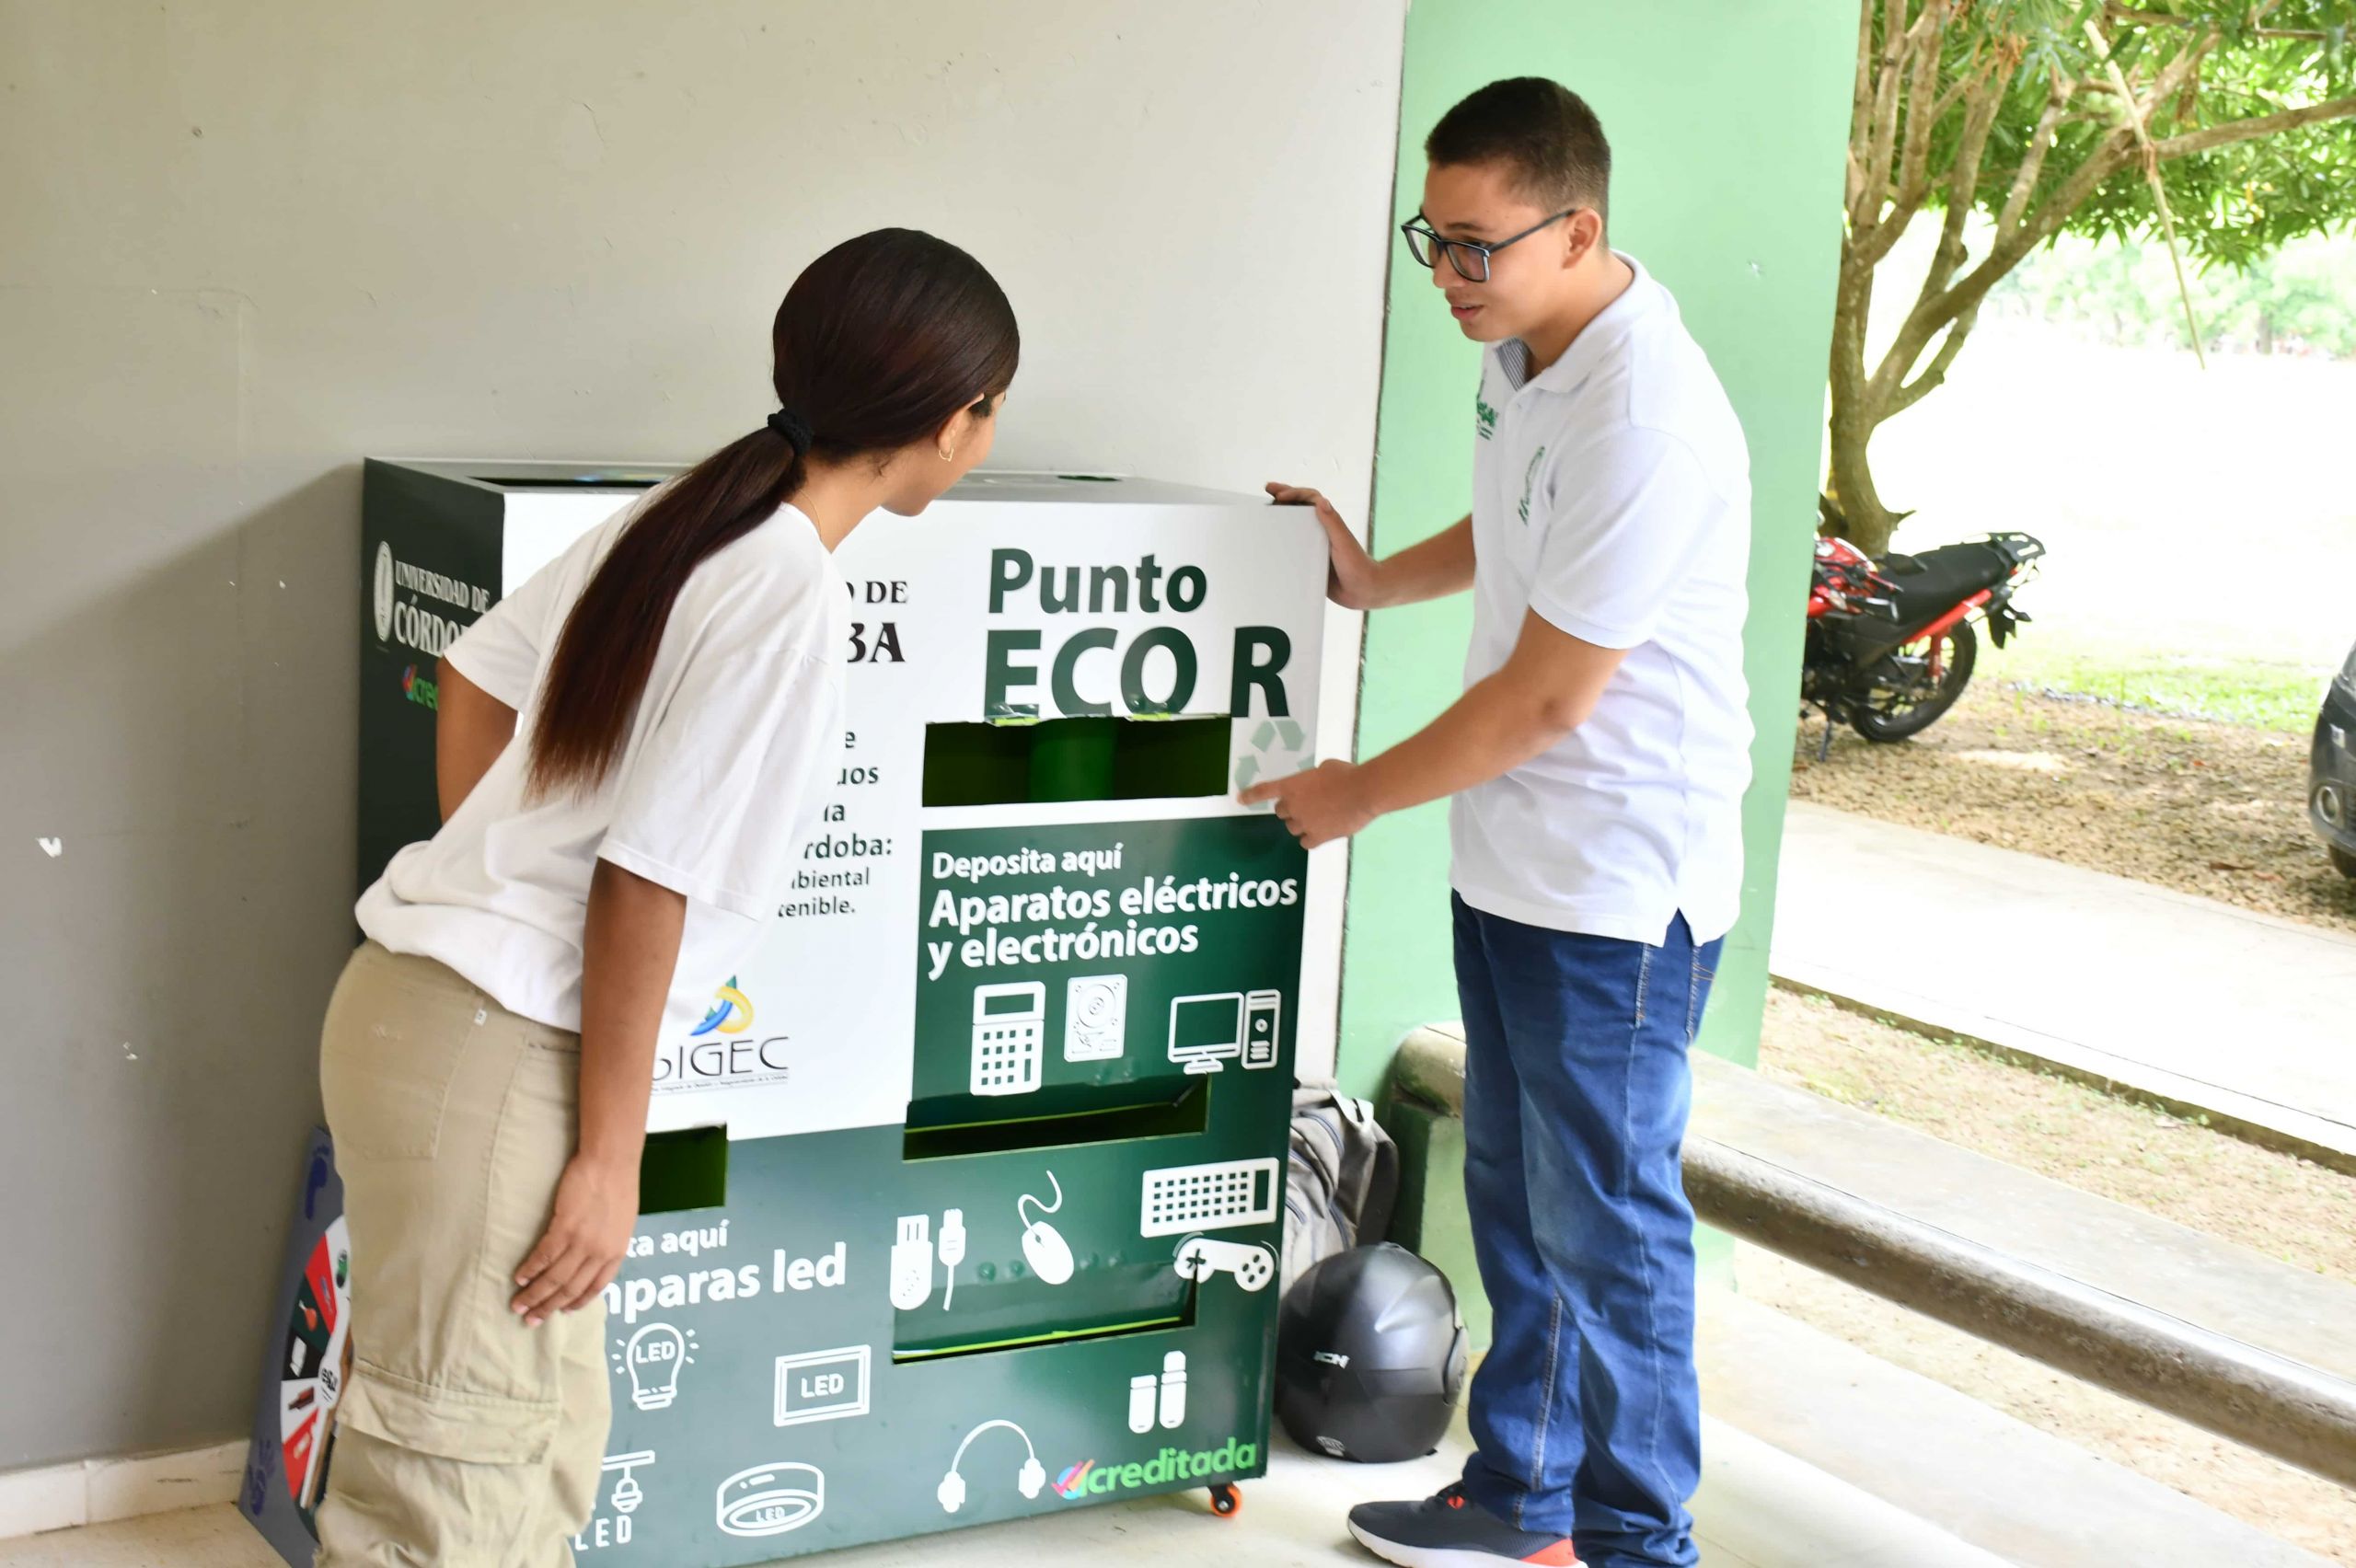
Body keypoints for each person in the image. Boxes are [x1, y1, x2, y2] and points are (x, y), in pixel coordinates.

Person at [316, 228, 1018, 1566]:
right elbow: (643, 884)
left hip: (425, 1017)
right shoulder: (781, 589)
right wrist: (609, 1157)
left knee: (527, 1459)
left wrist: (496, 878)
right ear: (952, 422)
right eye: (992, 413)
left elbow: (474, 675)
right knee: (455, 1505)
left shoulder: (694, 515)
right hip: (494, 1054)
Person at [1246, 78, 1752, 1568]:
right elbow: (1519, 523)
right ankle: (1520, 1493)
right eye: (1434, 238)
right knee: (1517, 1202)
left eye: (1479, 246)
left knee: (1609, 1225)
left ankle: (1640, 1543)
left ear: (1577, 230)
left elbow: (1546, 699)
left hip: (1617, 884)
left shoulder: (1647, 416)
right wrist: (1369, 581)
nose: (1450, 275)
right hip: (1517, 861)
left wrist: (1351, 794)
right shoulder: (1527, 349)